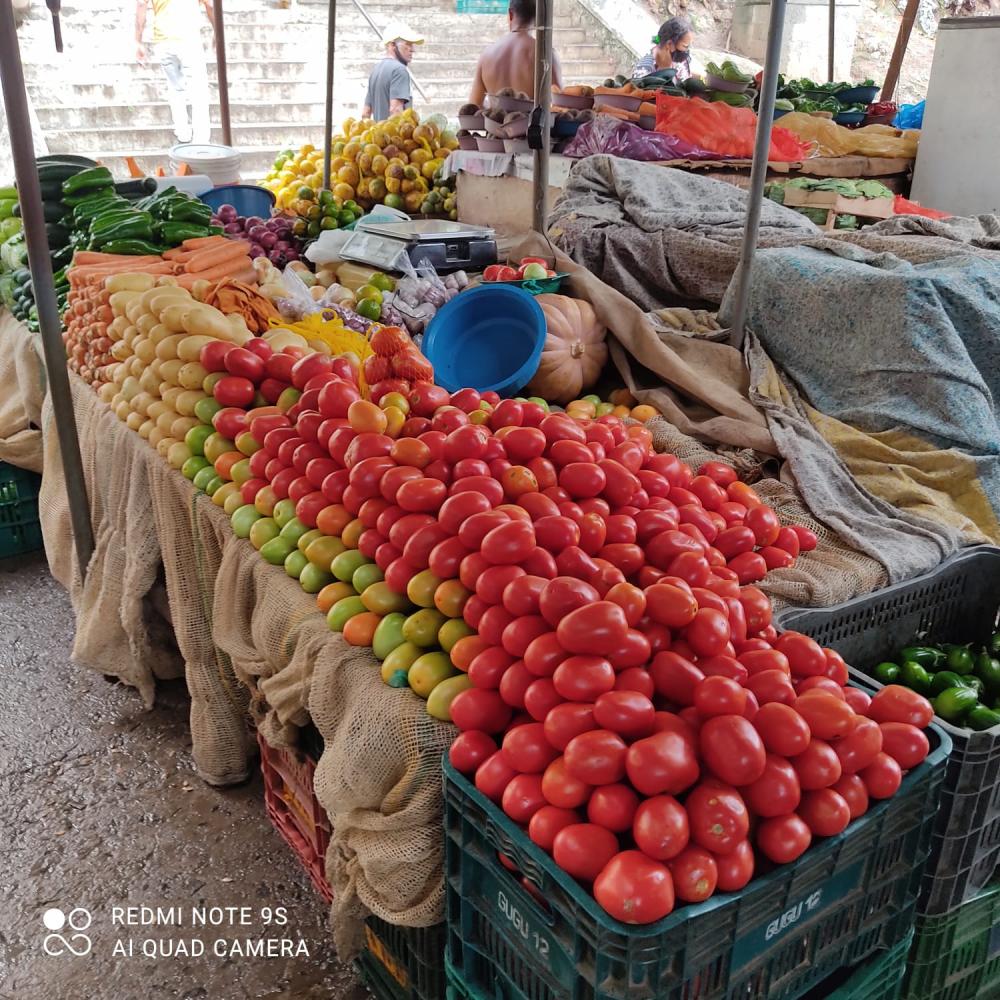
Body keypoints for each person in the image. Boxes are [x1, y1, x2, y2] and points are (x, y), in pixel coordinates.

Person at [135, 0, 215, 145]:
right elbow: (210, 5)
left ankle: (182, 134)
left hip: (163, 42)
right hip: (189, 39)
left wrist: (138, 41)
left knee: (175, 88)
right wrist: (216, 30)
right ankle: (201, 140)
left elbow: (141, 4)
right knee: (198, 90)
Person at [469, 0, 562, 108]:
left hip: (496, 124)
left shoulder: (487, 54)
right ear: (538, 18)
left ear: (511, 14)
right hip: (532, 125)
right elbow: (561, 103)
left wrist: (490, 107)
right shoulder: (546, 54)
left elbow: (473, 107)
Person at [363, 22, 424, 121]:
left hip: (378, 135)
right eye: (408, 44)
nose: (412, 49)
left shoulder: (376, 70)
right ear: (392, 45)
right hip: (393, 136)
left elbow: (366, 113)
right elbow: (396, 110)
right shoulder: (399, 70)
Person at [632, 16, 693, 82]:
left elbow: (684, 73)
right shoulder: (645, 72)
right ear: (669, 44)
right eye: (685, 46)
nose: (687, 50)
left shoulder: (677, 59)